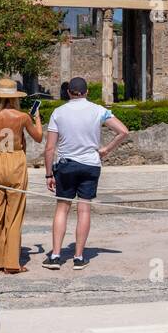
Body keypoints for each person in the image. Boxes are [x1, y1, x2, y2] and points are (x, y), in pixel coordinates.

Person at [41, 77, 127, 269]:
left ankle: (55, 255)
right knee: (84, 209)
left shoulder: (58, 112)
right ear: (87, 92)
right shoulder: (98, 110)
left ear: (68, 92)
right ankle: (79, 257)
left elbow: (49, 148)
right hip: (90, 164)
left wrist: (48, 174)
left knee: (62, 208)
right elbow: (123, 131)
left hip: (66, 165)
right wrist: (106, 149)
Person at [0, 79, 42, 274]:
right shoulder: (22, 116)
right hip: (15, 161)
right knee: (14, 214)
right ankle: (11, 263)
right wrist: (37, 119)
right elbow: (38, 137)